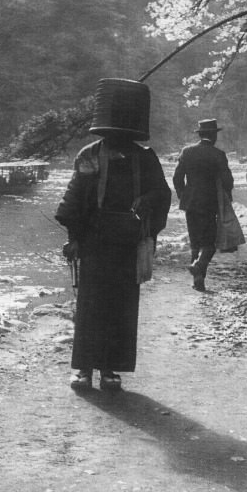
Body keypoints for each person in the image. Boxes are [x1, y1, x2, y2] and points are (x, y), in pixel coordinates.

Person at [56, 79, 171, 392]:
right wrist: (74, 237)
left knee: (121, 308)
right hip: (94, 242)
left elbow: (162, 195)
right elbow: (74, 199)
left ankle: (109, 370)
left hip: (128, 244)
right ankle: (82, 369)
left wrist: (147, 202)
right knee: (90, 306)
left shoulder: (145, 158)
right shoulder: (90, 156)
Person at [173, 119, 234, 292]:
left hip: (191, 203)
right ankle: (199, 265)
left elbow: (177, 179)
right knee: (210, 243)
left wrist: (183, 196)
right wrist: (227, 195)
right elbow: (227, 181)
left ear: (200, 134)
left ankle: (197, 279)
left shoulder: (187, 151)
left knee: (195, 242)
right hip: (210, 203)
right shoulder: (218, 154)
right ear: (214, 135)